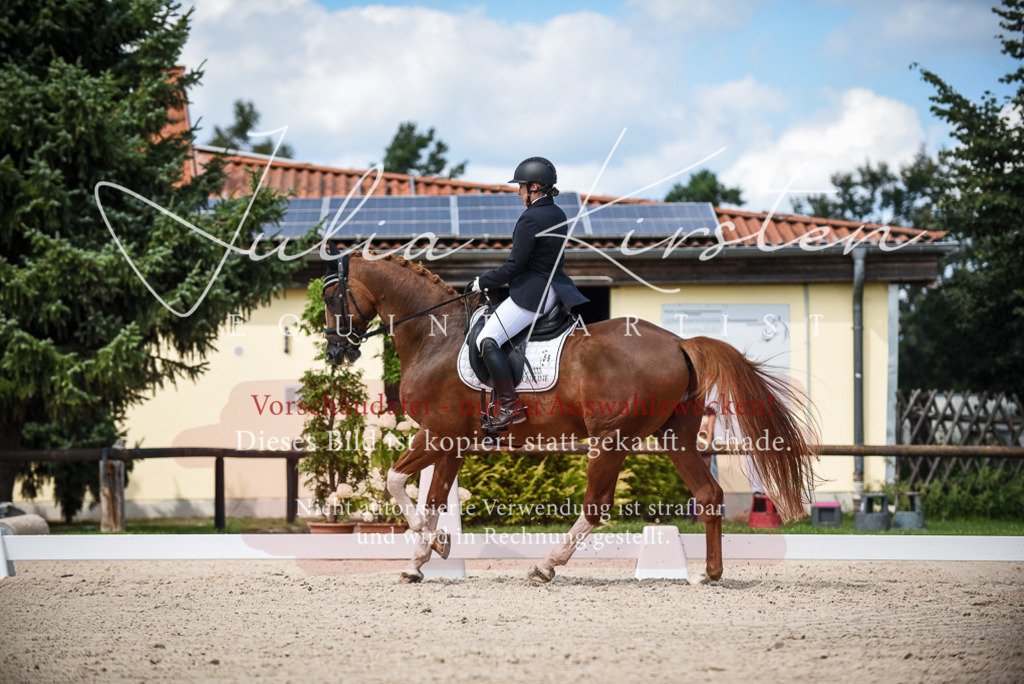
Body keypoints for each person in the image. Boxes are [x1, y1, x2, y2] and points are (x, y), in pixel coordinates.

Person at [469, 157, 589, 431]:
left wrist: (484, 281)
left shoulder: (530, 219)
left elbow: (515, 265)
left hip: (533, 294)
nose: (519, 191)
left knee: (487, 340)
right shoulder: (557, 213)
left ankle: (510, 406)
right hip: (554, 290)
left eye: (522, 186)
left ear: (534, 187)